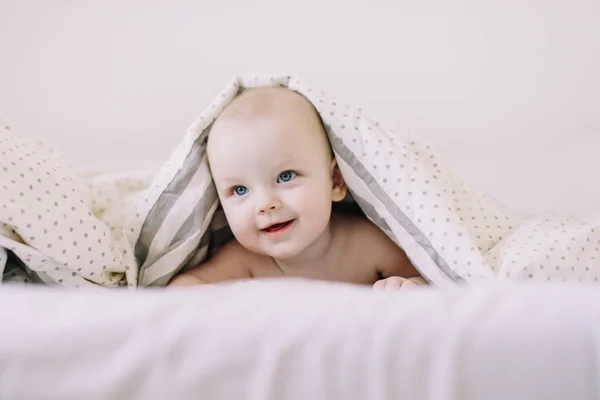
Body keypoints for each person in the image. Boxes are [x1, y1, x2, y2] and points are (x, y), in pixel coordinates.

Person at [168, 87, 426, 290]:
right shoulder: (244, 261)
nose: (265, 204)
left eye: (285, 176)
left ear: (335, 181)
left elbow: (435, 282)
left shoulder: (368, 245)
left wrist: (409, 285)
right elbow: (182, 289)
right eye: (239, 190)